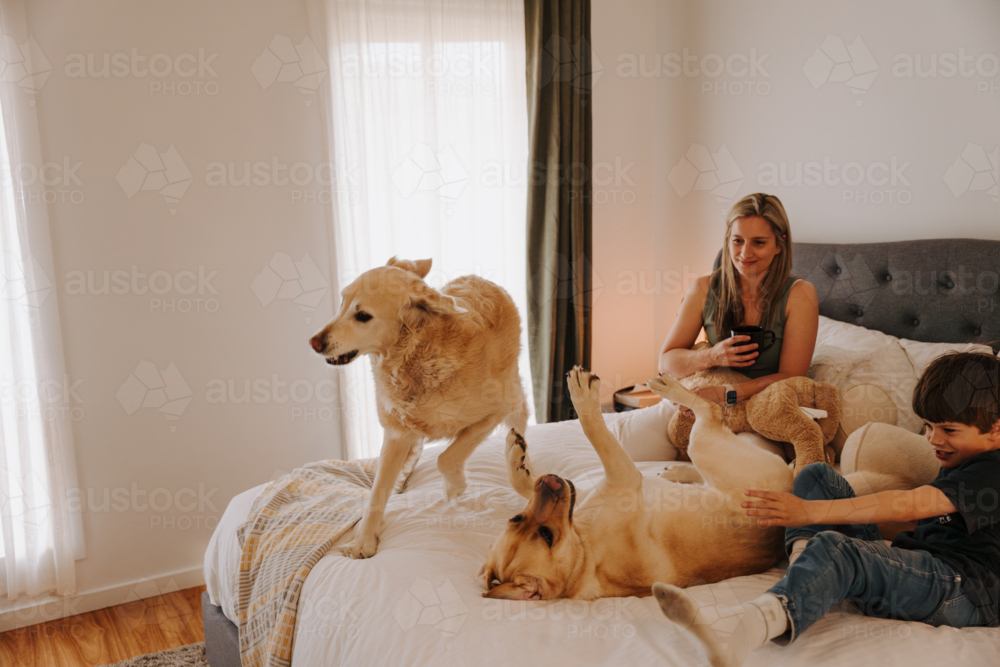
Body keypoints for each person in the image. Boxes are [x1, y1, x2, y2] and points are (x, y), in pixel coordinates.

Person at [653, 352, 1000, 667]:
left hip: (961, 591)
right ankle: (807, 572)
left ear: (996, 428)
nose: (933, 439)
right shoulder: (964, 455)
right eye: (928, 427)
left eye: (949, 430)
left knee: (836, 546)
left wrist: (808, 514)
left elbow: (912, 504)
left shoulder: (993, 469)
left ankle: (742, 628)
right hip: (928, 567)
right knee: (816, 476)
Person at [658, 193, 819, 415]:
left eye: (759, 242)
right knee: (627, 435)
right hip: (705, 401)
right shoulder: (702, 289)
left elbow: (792, 378)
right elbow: (665, 363)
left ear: (779, 245)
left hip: (765, 409)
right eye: (737, 240)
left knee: (743, 447)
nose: (745, 253)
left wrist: (728, 393)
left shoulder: (800, 294)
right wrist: (712, 356)